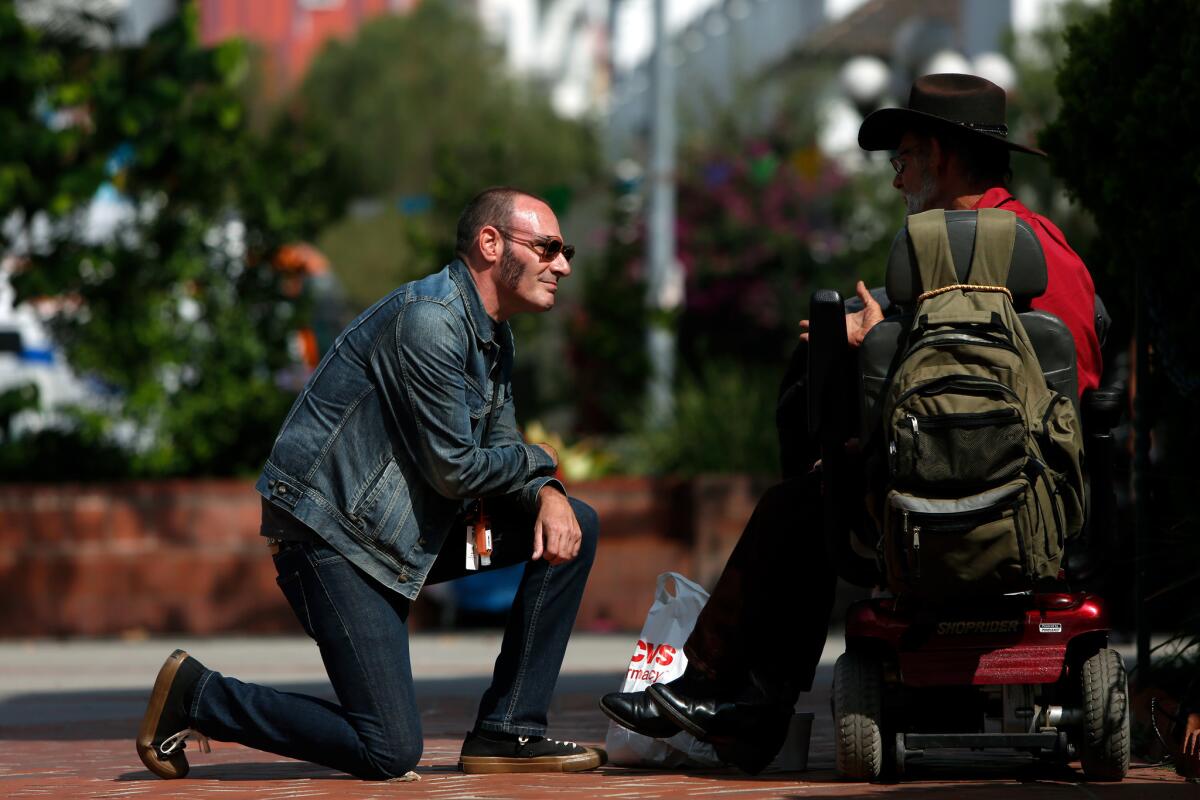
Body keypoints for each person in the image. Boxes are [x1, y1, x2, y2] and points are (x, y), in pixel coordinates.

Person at [600, 73, 1103, 773]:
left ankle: (723, 688)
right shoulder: (1042, 247)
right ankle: (747, 702)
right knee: (819, 488)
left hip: (976, 488)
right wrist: (894, 338)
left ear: (943, 156)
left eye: (903, 158)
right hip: (1041, 492)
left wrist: (883, 348)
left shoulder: (963, 251)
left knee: (807, 501)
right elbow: (1065, 388)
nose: (897, 180)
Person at [136, 187, 603, 781]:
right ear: (491, 244)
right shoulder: (430, 322)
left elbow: (501, 450)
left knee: (575, 523)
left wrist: (548, 491)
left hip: (405, 536)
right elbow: (456, 468)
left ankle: (509, 729)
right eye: (548, 247)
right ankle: (197, 697)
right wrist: (543, 462)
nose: (561, 264)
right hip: (333, 541)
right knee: (388, 749)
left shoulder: (493, 336)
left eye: (565, 252)